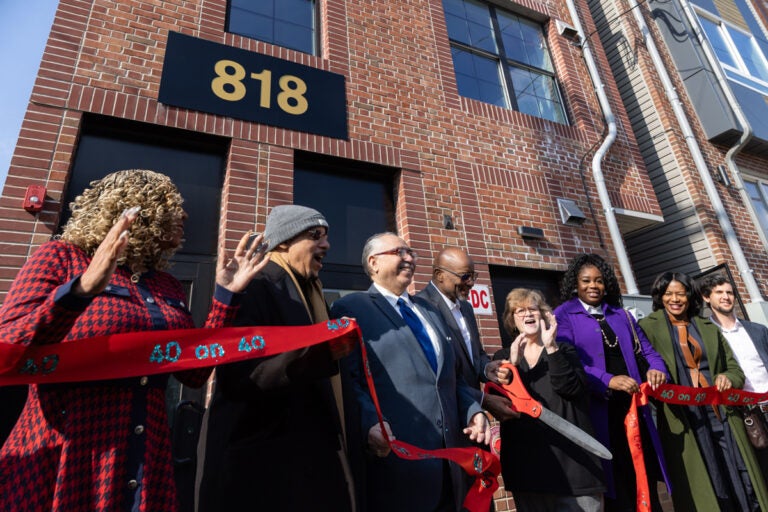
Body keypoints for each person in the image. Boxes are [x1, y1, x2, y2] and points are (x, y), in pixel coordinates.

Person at [0, 169, 268, 511]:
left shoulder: (167, 286)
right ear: (139, 210)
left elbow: (193, 374)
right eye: (171, 207)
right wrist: (79, 291)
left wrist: (225, 297)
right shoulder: (61, 258)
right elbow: (10, 346)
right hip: (70, 449)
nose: (184, 216)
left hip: (145, 457)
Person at [196, 205, 354, 512]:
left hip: (305, 459)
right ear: (284, 241)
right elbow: (242, 376)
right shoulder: (257, 285)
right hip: (263, 465)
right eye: (315, 235)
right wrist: (322, 354)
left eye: (327, 236)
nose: (327, 245)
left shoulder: (311, 290)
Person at [330, 232, 490, 512]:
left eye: (410, 253)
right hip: (399, 467)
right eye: (398, 252)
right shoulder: (351, 308)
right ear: (373, 263)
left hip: (451, 468)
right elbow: (349, 381)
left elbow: (448, 378)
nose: (408, 258)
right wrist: (369, 423)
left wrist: (473, 411)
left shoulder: (429, 310)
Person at [639, 271, 768, 511]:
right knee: (705, 481)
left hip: (723, 415)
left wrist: (727, 377)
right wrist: (651, 373)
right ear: (660, 296)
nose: (675, 299)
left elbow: (734, 369)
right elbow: (642, 366)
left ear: (690, 296)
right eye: (669, 294)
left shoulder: (708, 326)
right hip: (683, 419)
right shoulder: (646, 327)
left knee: (741, 474)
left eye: (681, 293)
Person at [554, 253, 669, 512]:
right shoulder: (563, 315)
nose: (593, 286)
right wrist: (608, 380)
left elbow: (648, 352)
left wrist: (657, 370)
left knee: (643, 476)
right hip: (598, 412)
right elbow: (568, 362)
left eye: (599, 280)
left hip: (634, 409)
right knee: (614, 482)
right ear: (575, 283)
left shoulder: (620, 314)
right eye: (586, 281)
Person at [493, 288, 605, 511]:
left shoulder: (564, 350)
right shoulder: (502, 359)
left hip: (574, 469)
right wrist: (512, 366)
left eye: (532, 309)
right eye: (520, 310)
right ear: (512, 320)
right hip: (528, 474)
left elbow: (572, 390)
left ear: (543, 315)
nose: (528, 314)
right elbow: (503, 410)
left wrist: (551, 347)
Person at [416, 246, 513, 421]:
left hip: (474, 416)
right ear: (439, 275)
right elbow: (435, 373)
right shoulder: (421, 307)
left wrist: (486, 368)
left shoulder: (466, 308)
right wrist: (483, 400)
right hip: (446, 415)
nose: (471, 283)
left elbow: (476, 354)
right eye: (465, 276)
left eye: (473, 276)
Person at [700, 274, 768, 479]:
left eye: (729, 292)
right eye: (719, 292)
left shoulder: (757, 330)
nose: (726, 297)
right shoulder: (706, 336)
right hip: (746, 414)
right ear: (706, 297)